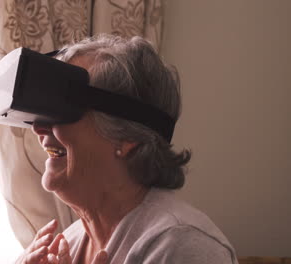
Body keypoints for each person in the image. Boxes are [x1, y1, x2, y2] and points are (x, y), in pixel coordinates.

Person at [15, 34, 238, 264]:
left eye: (60, 110)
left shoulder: (184, 246)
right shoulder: (66, 244)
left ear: (126, 136)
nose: (38, 127)